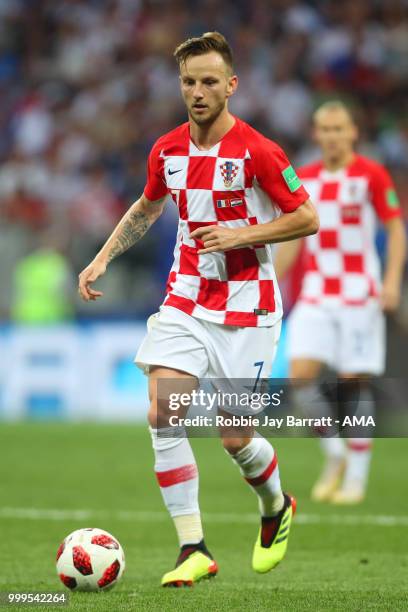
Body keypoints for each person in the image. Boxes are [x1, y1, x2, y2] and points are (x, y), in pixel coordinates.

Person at [78, 32, 318, 586]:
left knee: (235, 438)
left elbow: (306, 218)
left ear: (231, 85)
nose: (198, 91)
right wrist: (102, 258)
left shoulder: (259, 150)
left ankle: (276, 507)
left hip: (248, 308)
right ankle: (194, 547)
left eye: (210, 81)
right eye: (189, 82)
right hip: (185, 298)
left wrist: (239, 236)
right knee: (163, 413)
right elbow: (148, 205)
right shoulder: (166, 149)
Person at [274, 101, 406, 505]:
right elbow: (295, 237)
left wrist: (390, 282)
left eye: (338, 128)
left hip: (358, 293)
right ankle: (335, 454)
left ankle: (357, 481)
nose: (331, 135)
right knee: (300, 377)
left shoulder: (371, 175)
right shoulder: (304, 178)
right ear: (316, 134)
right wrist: (272, 284)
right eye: (324, 129)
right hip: (316, 292)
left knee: (354, 383)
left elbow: (396, 230)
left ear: (352, 132)